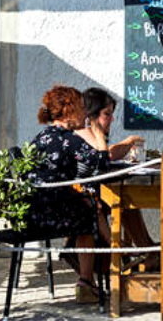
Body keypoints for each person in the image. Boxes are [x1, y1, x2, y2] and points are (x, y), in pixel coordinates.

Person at [26, 85, 110, 301]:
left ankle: (87, 274)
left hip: (32, 215)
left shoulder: (39, 138)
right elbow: (102, 162)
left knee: (88, 206)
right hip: (57, 215)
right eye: (82, 107)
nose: (85, 113)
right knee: (90, 215)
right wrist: (99, 135)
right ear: (69, 110)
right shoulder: (67, 139)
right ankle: (86, 281)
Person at [82, 87, 160, 269]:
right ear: (91, 116)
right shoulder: (85, 134)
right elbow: (107, 155)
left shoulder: (92, 134)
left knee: (127, 200)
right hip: (84, 200)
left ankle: (147, 249)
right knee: (124, 199)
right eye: (107, 114)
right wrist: (130, 141)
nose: (112, 119)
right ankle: (148, 251)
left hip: (92, 196)